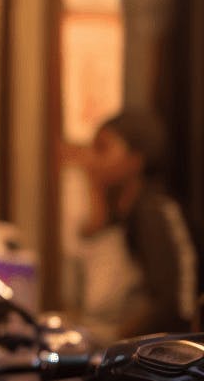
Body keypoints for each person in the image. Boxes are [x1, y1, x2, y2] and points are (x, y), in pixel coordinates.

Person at [74, 110, 199, 341]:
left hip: (158, 356)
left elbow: (172, 304)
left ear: (136, 158)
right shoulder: (124, 213)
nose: (90, 160)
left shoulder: (154, 211)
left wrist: (115, 342)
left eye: (102, 149)